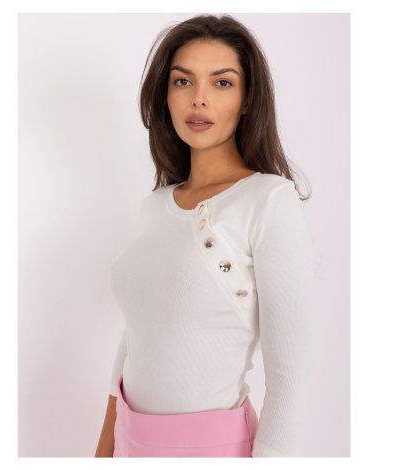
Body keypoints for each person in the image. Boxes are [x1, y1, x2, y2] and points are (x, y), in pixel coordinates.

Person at [95, 13, 314, 458]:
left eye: (222, 83)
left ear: (247, 99)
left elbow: (290, 376)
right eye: (183, 81)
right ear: (165, 95)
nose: (199, 99)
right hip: (132, 443)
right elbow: (136, 337)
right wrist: (103, 451)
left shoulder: (269, 200)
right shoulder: (154, 206)